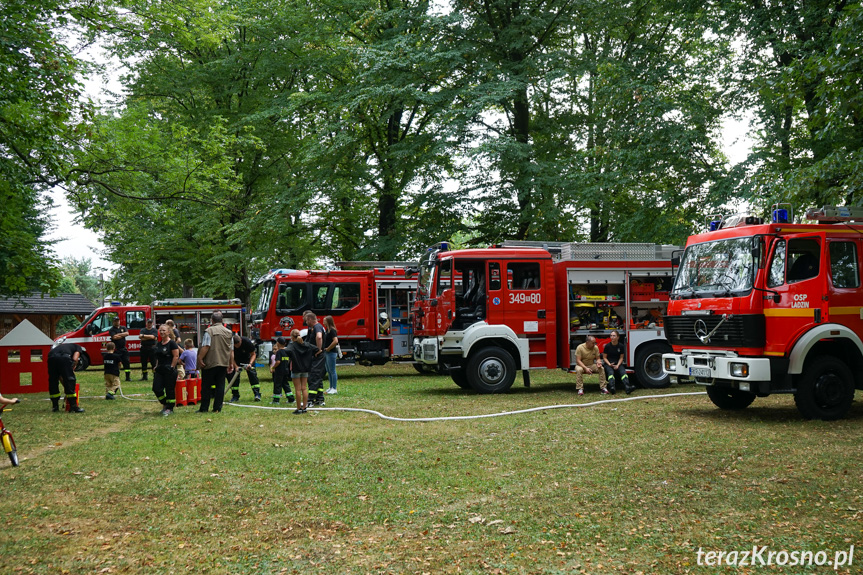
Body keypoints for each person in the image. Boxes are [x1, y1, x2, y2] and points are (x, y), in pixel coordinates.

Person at [197, 312, 234, 413]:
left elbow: (206, 346)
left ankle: (204, 408)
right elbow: (231, 350)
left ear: (212, 320)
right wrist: (231, 363)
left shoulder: (209, 331)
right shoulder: (229, 332)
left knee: (206, 386)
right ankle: (217, 408)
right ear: (222, 321)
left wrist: (200, 358)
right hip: (223, 362)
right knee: (220, 386)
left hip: (210, 362)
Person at [285, 329, 322, 414]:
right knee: (304, 388)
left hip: (296, 369)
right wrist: (314, 354)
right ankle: (304, 408)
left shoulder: (292, 345)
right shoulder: (307, 345)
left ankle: (298, 408)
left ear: (292, 337)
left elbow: (287, 351)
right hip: (306, 369)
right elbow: (317, 349)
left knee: (298, 389)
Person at [47, 342, 86, 412]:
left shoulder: (62, 347)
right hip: (64, 358)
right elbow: (75, 359)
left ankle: (55, 406)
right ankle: (73, 407)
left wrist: (65, 386)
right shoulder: (78, 347)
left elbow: (59, 376)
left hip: (51, 358)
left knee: (53, 381)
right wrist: (72, 368)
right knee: (70, 380)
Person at [152, 324, 180, 416]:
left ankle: (170, 408)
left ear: (168, 332)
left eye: (164, 330)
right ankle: (165, 403)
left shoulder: (172, 343)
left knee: (169, 390)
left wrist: (172, 366)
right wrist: (156, 366)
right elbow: (158, 357)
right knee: (156, 388)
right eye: (160, 330)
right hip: (160, 369)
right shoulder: (158, 344)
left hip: (169, 370)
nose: (162, 332)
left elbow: (176, 356)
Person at [229, 334, 262, 402]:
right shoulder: (230, 344)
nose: (237, 346)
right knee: (233, 377)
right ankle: (235, 395)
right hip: (236, 360)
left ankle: (257, 394)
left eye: (238, 344)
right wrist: (236, 367)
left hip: (247, 359)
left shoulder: (247, 342)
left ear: (241, 340)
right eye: (236, 345)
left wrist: (250, 364)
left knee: (252, 375)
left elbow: (253, 354)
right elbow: (230, 357)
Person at [304, 311, 326, 406]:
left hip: (318, 356)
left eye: (306, 320)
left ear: (310, 319)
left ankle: (310, 400)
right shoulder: (314, 327)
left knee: (313, 376)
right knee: (318, 377)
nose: (305, 322)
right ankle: (320, 399)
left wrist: (318, 349)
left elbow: (319, 337)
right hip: (317, 356)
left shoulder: (317, 327)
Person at [602, 330, 634, 394]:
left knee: (623, 373)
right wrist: (609, 364)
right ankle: (612, 387)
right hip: (609, 363)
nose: (612, 337)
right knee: (610, 373)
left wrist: (618, 365)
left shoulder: (621, 346)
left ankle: (627, 387)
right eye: (611, 336)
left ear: (618, 337)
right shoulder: (607, 346)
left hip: (618, 363)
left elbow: (621, 357)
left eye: (614, 336)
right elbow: (604, 357)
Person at [269, 336, 295, 404]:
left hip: (279, 371)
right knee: (285, 384)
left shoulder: (279, 352)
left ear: (278, 343)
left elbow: (278, 362)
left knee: (277, 385)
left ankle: (276, 400)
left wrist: (273, 367)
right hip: (286, 371)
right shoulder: (287, 351)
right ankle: (291, 398)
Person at [108, 317, 132, 382]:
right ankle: (116, 377)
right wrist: (122, 335)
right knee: (116, 364)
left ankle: (128, 377)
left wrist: (119, 334)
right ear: (113, 322)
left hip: (123, 349)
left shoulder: (123, 328)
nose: (117, 322)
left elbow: (127, 333)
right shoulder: (112, 329)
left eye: (118, 321)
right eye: (115, 321)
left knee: (126, 363)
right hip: (116, 349)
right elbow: (114, 337)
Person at [323, 315, 339, 394]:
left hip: (331, 353)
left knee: (332, 370)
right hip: (327, 352)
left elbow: (335, 341)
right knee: (328, 370)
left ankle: (334, 388)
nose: (323, 322)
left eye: (325, 320)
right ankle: (330, 387)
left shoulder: (332, 330)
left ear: (328, 321)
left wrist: (329, 348)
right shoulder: (327, 330)